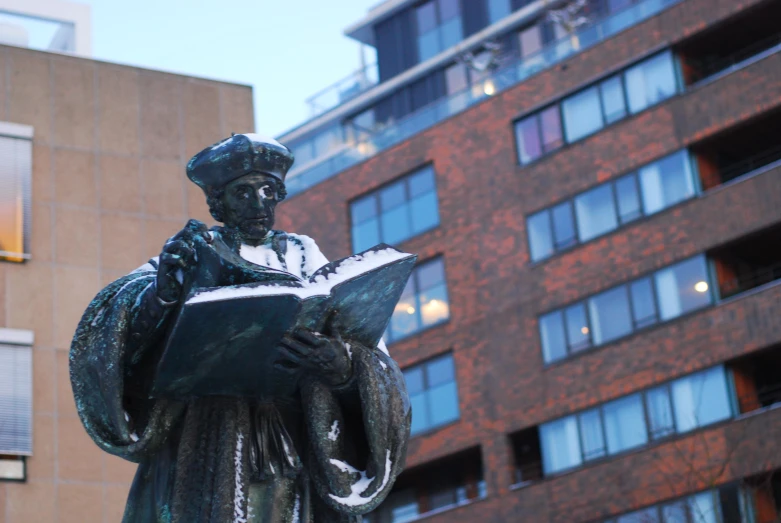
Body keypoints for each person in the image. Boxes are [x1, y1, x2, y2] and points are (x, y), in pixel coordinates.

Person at [70, 133, 411, 522]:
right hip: (205, 446)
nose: (259, 203)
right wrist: (161, 295)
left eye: (268, 190)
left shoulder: (306, 259)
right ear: (218, 202)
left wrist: (344, 366)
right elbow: (106, 334)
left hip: (295, 448)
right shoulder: (187, 257)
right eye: (243, 192)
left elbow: (381, 369)